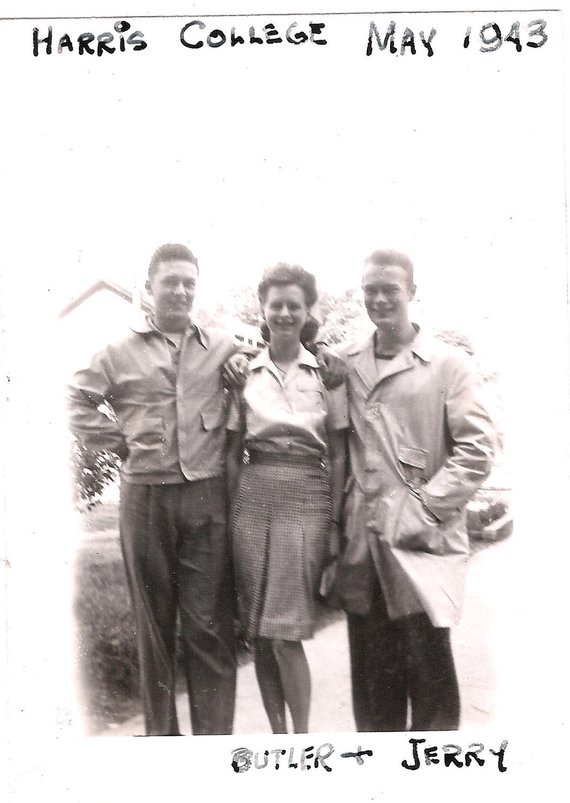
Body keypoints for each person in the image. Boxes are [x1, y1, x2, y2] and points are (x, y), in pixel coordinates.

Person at [67, 243, 239, 736]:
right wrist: (116, 440)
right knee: (155, 629)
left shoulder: (223, 346)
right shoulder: (116, 352)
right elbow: (70, 399)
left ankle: (213, 747)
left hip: (206, 498)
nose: (181, 291)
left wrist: (241, 374)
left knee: (209, 627)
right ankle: (163, 744)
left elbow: (275, 366)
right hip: (145, 499)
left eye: (189, 282)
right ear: (149, 287)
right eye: (171, 281)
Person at [334, 248, 496, 732]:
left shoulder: (449, 365)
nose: (379, 300)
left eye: (390, 290)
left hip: (422, 544)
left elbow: (478, 449)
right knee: (373, 689)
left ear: (412, 293)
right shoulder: (344, 361)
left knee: (431, 689)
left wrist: (424, 508)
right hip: (363, 545)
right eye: (370, 291)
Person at [226, 263, 348, 734]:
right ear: (263, 308)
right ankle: (279, 741)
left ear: (307, 310)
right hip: (254, 497)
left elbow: (337, 455)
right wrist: (233, 509)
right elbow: (233, 451)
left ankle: (303, 740)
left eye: (293, 305)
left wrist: (335, 522)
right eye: (275, 304)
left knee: (286, 632)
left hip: (306, 495)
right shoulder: (242, 371)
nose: (283, 313)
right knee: (260, 630)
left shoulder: (327, 372)